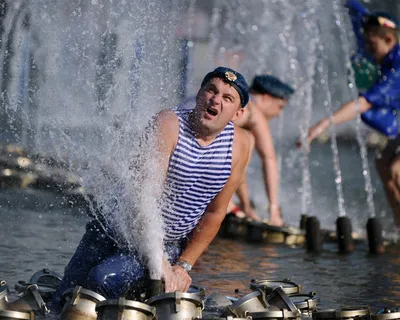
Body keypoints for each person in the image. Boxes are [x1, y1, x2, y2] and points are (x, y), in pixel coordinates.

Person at [51, 66, 251, 311]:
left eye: (227, 98)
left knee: (101, 281)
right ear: (199, 94)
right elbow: (142, 198)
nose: (215, 100)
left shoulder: (240, 145)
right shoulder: (168, 124)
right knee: (63, 301)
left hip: (168, 242)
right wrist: (159, 261)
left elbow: (215, 212)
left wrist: (183, 265)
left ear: (238, 114)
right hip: (113, 228)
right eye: (211, 90)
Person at [304, 1, 400, 230]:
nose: (367, 49)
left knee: (396, 168)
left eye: (371, 44)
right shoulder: (377, 38)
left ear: (388, 40)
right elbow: (358, 13)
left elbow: (365, 103)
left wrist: (323, 124)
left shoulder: (397, 67)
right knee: (382, 163)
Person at [231, 75, 295, 226]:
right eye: (280, 107)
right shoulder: (253, 111)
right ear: (266, 98)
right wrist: (273, 210)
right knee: (248, 141)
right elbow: (269, 159)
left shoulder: (231, 99)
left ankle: (234, 206)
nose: (279, 114)